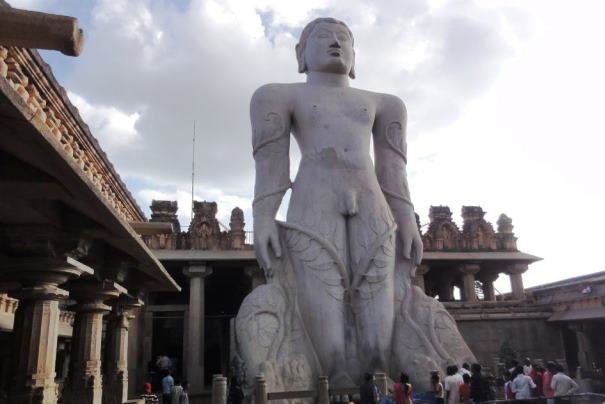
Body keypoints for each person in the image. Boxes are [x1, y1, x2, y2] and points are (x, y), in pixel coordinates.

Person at [251, 16, 424, 385]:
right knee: (319, 296)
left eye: (344, 38)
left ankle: (379, 380)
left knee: (378, 297)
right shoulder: (277, 95)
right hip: (314, 200)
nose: (336, 43)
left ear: (354, 55)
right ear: (301, 54)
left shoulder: (386, 103)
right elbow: (271, 162)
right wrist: (263, 216)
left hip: (372, 205)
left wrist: (406, 218)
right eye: (324, 37)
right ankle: (330, 383)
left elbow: (394, 170)